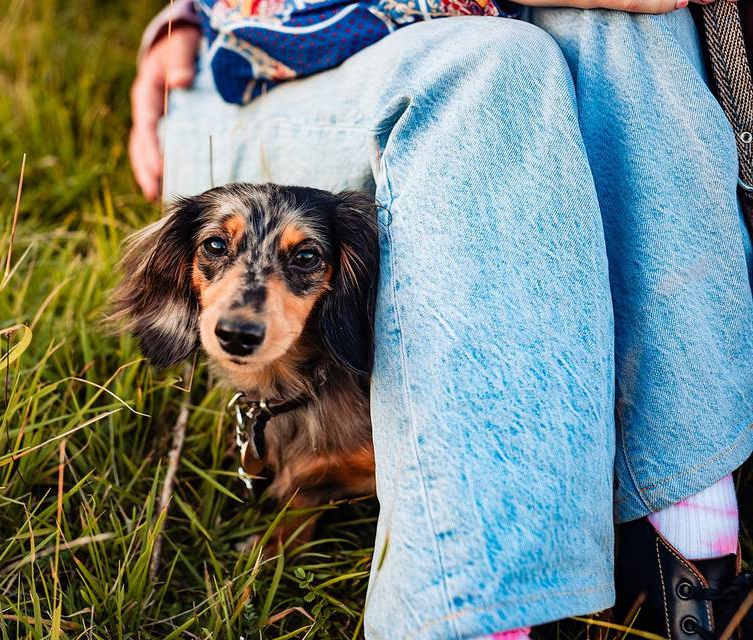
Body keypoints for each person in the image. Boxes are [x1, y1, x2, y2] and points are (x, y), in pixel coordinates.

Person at [129, 1, 753, 638]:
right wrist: (176, 19)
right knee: (492, 64)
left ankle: (679, 543)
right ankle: (479, 609)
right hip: (266, 65)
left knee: (626, 27)